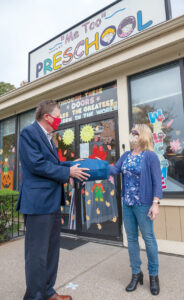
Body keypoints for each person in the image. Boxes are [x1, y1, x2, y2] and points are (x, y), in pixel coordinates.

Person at [16, 100, 90, 300]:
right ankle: (34, 296)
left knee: (50, 252)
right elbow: (37, 165)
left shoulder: (49, 138)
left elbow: (53, 164)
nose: (60, 119)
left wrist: (74, 165)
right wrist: (68, 172)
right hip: (38, 203)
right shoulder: (29, 133)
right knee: (37, 256)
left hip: (51, 202)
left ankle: (48, 292)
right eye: (58, 114)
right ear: (47, 117)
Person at [110, 124, 162, 296]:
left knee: (148, 239)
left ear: (143, 135)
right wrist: (93, 165)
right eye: (131, 132)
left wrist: (155, 203)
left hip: (144, 204)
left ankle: (153, 276)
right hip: (127, 203)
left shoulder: (150, 156)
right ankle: (136, 273)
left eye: (135, 132)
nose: (132, 134)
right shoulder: (125, 155)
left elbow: (157, 181)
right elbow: (113, 170)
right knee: (131, 239)